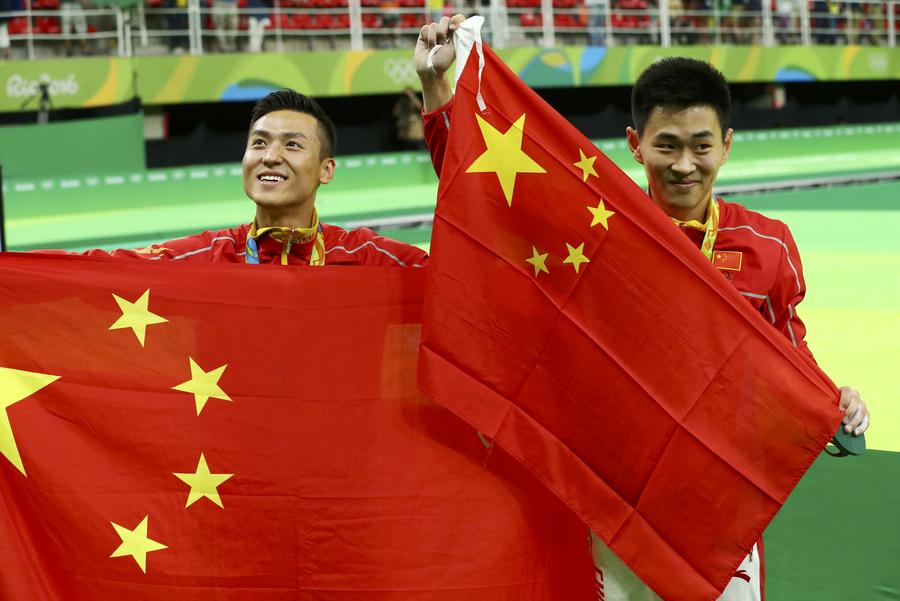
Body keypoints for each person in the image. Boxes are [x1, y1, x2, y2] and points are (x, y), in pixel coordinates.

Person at [414, 16, 870, 601]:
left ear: (726, 146)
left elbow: (785, 349)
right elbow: (481, 189)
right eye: (667, 145)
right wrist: (438, 89)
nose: (685, 164)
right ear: (635, 144)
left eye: (702, 146)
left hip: (717, 496)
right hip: (616, 490)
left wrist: (830, 397)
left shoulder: (768, 244)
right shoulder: (601, 226)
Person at [46, 89, 427, 268]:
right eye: (259, 143)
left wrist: (438, 95)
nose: (270, 157)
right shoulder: (208, 257)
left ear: (326, 169)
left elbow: (459, 277)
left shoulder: (364, 257)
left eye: (292, 145)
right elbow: (101, 268)